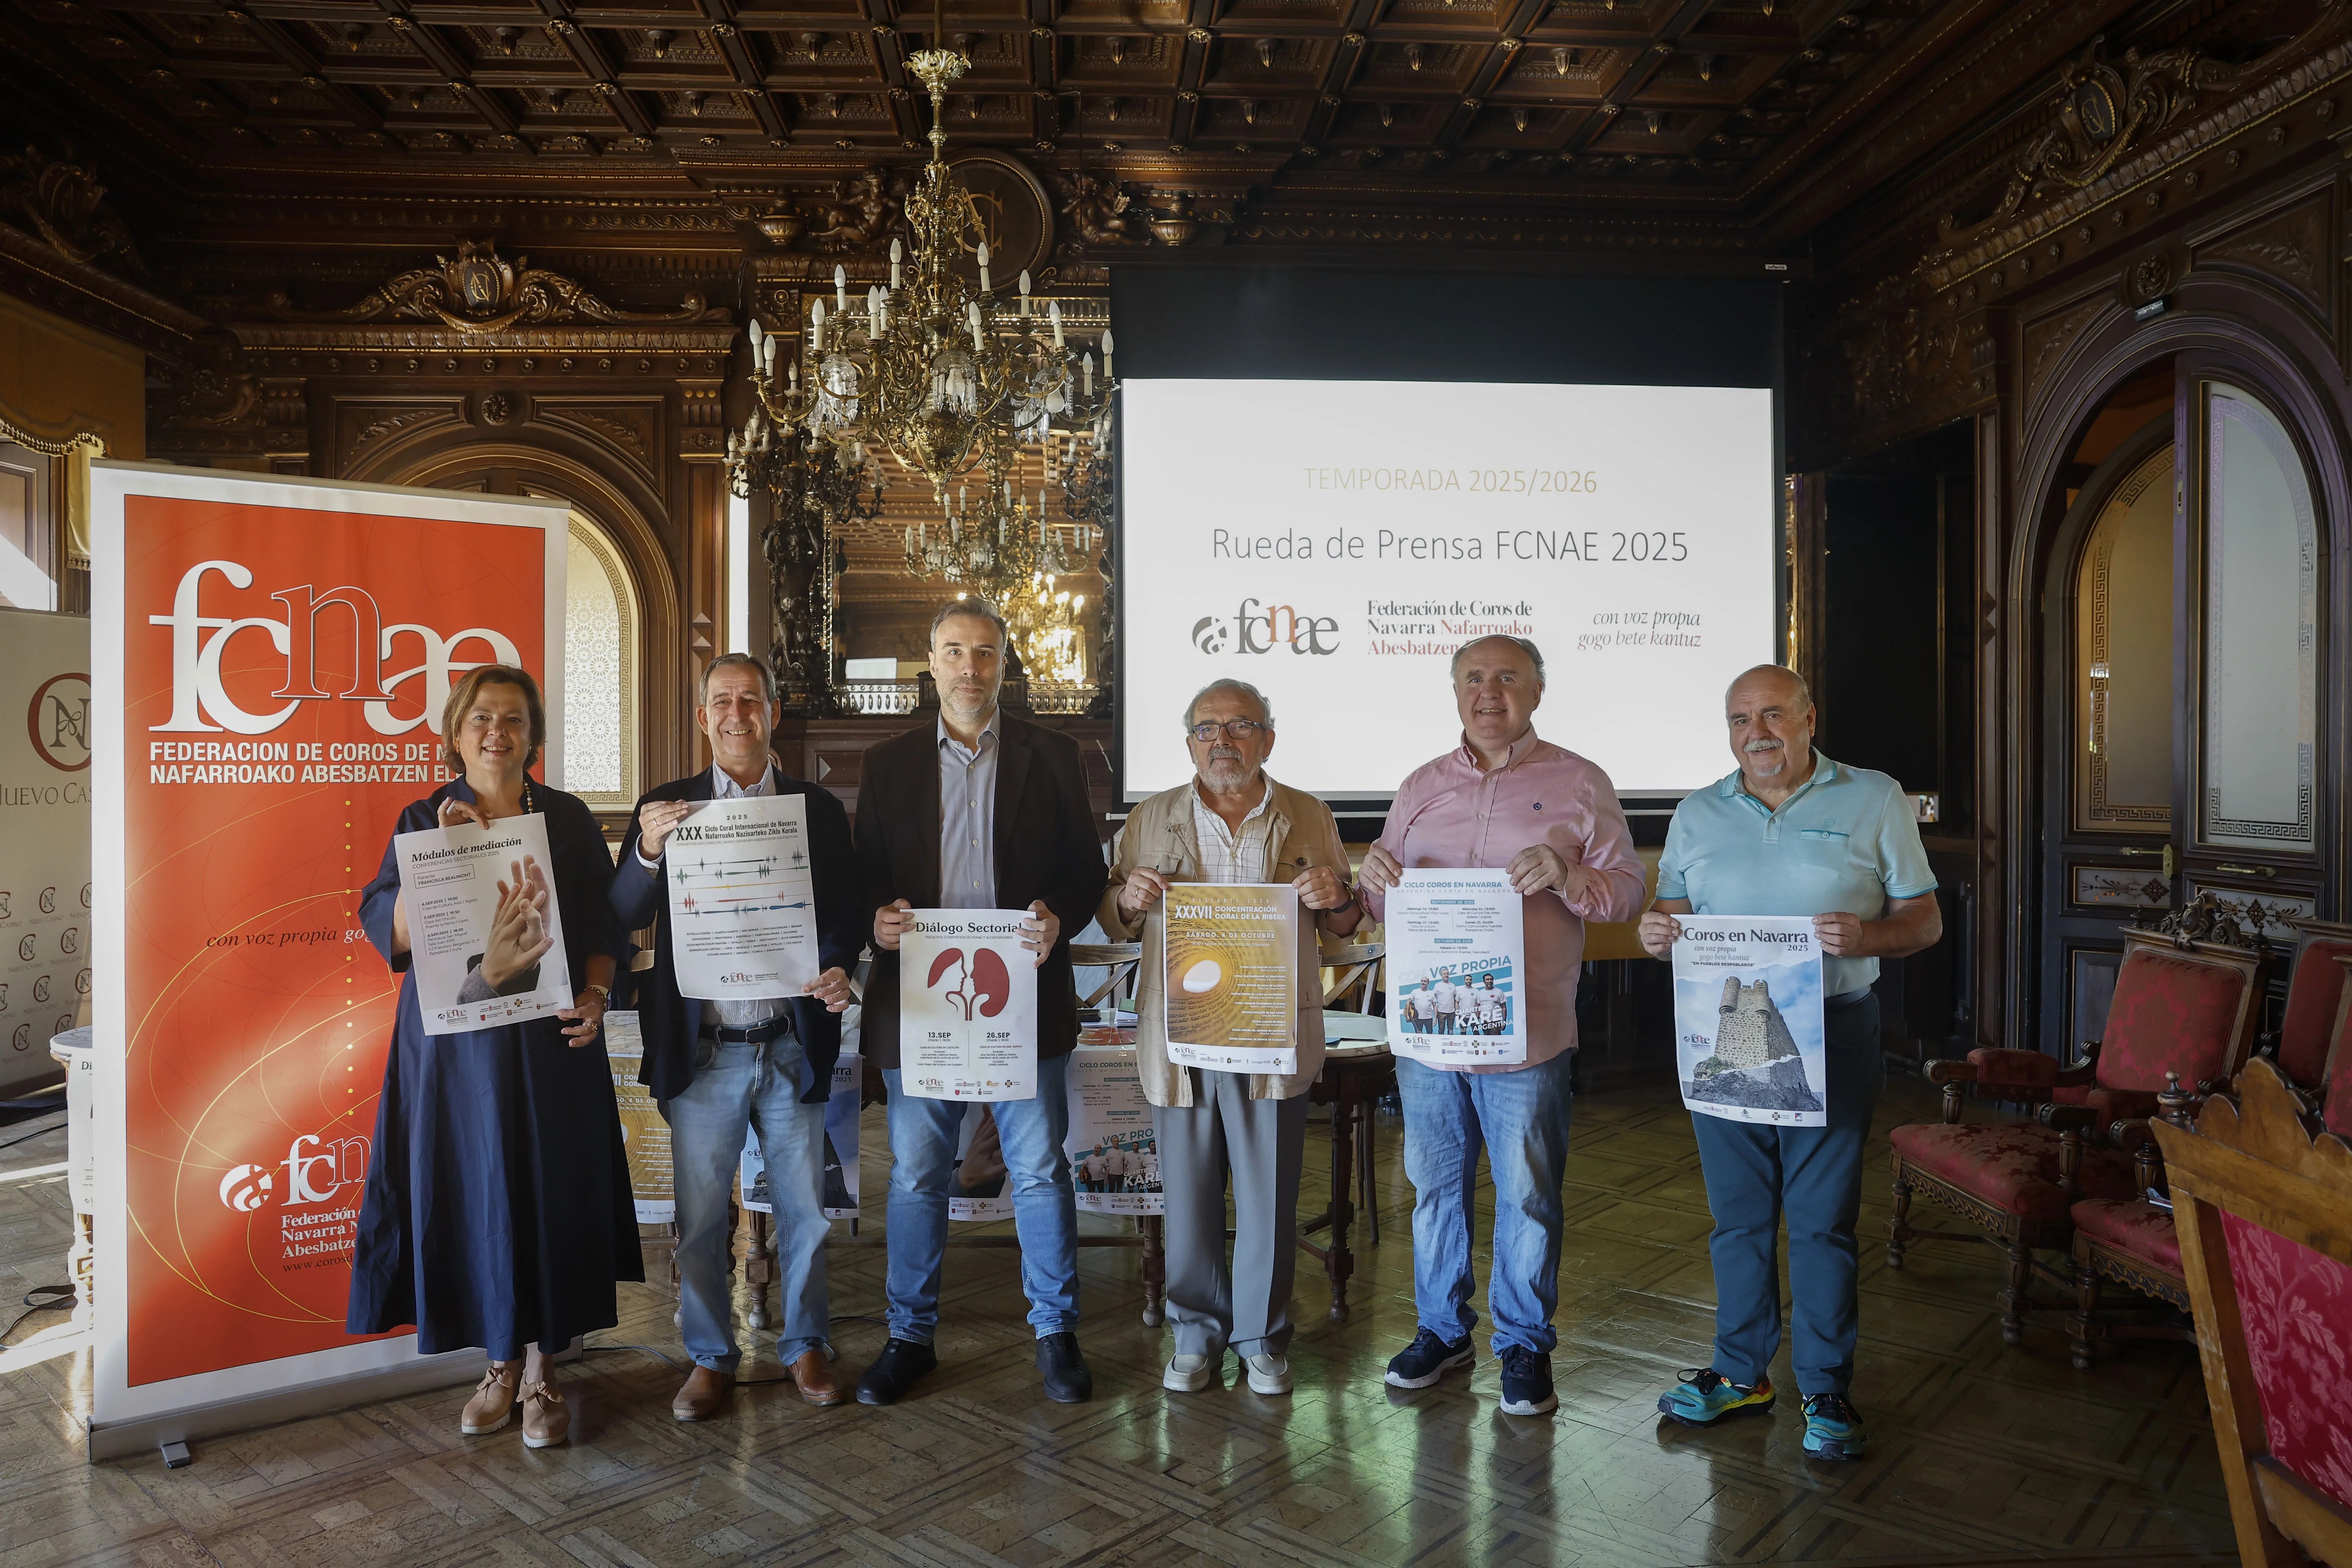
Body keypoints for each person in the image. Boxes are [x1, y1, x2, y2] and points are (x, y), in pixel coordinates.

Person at [1639, 664, 1941, 1462]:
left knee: (1820, 1221)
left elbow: (1925, 920)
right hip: (1720, 1037)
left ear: (1810, 718)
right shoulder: (1698, 813)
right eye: (1741, 719)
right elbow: (1671, 912)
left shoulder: (1875, 797)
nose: (1758, 734)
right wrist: (1656, 931)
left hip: (1832, 1032)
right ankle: (1742, 1374)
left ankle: (1825, 1386)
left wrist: (1869, 936)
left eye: (1774, 714)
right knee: (1738, 1218)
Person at [349, 665, 638, 1450]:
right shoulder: (424, 816)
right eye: (481, 717)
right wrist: (443, 857)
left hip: (551, 1047)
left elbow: (604, 927)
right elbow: (388, 928)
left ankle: (545, 1370)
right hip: (457, 1056)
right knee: (479, 1194)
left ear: (532, 735)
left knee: (549, 1194)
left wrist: (597, 996)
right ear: (456, 731)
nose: (496, 733)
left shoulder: (567, 818)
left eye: (512, 719)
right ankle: (499, 1365)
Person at [1360, 634, 1644, 1418]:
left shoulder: (1581, 782)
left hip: (1529, 1035)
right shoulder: (1420, 786)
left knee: (1527, 1194)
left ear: (1537, 691)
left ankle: (1524, 1343)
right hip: (1429, 1032)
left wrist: (1569, 875)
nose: (1489, 692)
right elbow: (1380, 899)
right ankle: (1442, 1330)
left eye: (1508, 678)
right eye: (1474, 678)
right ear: (1456, 691)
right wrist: (1372, 881)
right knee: (1435, 1189)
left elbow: (1627, 892)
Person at [855, 598, 1109, 1405]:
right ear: (931, 662)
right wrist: (875, 920)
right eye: (955, 652)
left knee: (1039, 1170)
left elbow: (1087, 869)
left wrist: (1059, 915)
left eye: (986, 653)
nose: (971, 668)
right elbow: (866, 873)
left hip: (1023, 999)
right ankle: (909, 1336)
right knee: (917, 1174)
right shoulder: (887, 762)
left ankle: (1056, 1332)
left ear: (1005, 663)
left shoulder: (1055, 755)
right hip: (921, 1004)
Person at [610, 652, 864, 1422]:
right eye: (722, 701)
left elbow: (845, 914)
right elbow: (622, 913)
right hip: (705, 1052)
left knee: (805, 1213)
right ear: (702, 718)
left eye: (751, 700)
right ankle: (710, 1355)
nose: (736, 714)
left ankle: (806, 1344)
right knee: (700, 1220)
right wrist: (648, 852)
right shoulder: (665, 807)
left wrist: (836, 966)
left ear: (773, 713)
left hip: (790, 1040)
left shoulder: (816, 808)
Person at [1100, 677, 1361, 1397]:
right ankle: (1195, 1333)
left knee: (1269, 1196)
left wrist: (1338, 896)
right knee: (1187, 1195)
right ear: (1189, 743)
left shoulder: (1308, 814)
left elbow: (1346, 923)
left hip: (1271, 1031)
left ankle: (1261, 1338)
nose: (1223, 741)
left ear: (1267, 739)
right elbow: (1112, 911)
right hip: (1182, 1037)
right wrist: (1126, 898)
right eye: (1207, 728)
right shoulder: (1151, 817)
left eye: (1241, 726)